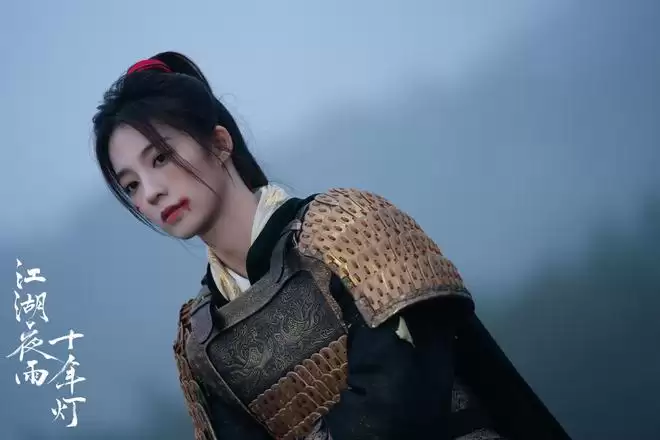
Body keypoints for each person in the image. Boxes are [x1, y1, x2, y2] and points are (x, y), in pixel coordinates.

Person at [92, 51, 572, 440]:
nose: (150, 192)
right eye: (130, 185)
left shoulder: (346, 229)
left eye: (161, 157)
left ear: (219, 143)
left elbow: (399, 401)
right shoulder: (201, 339)